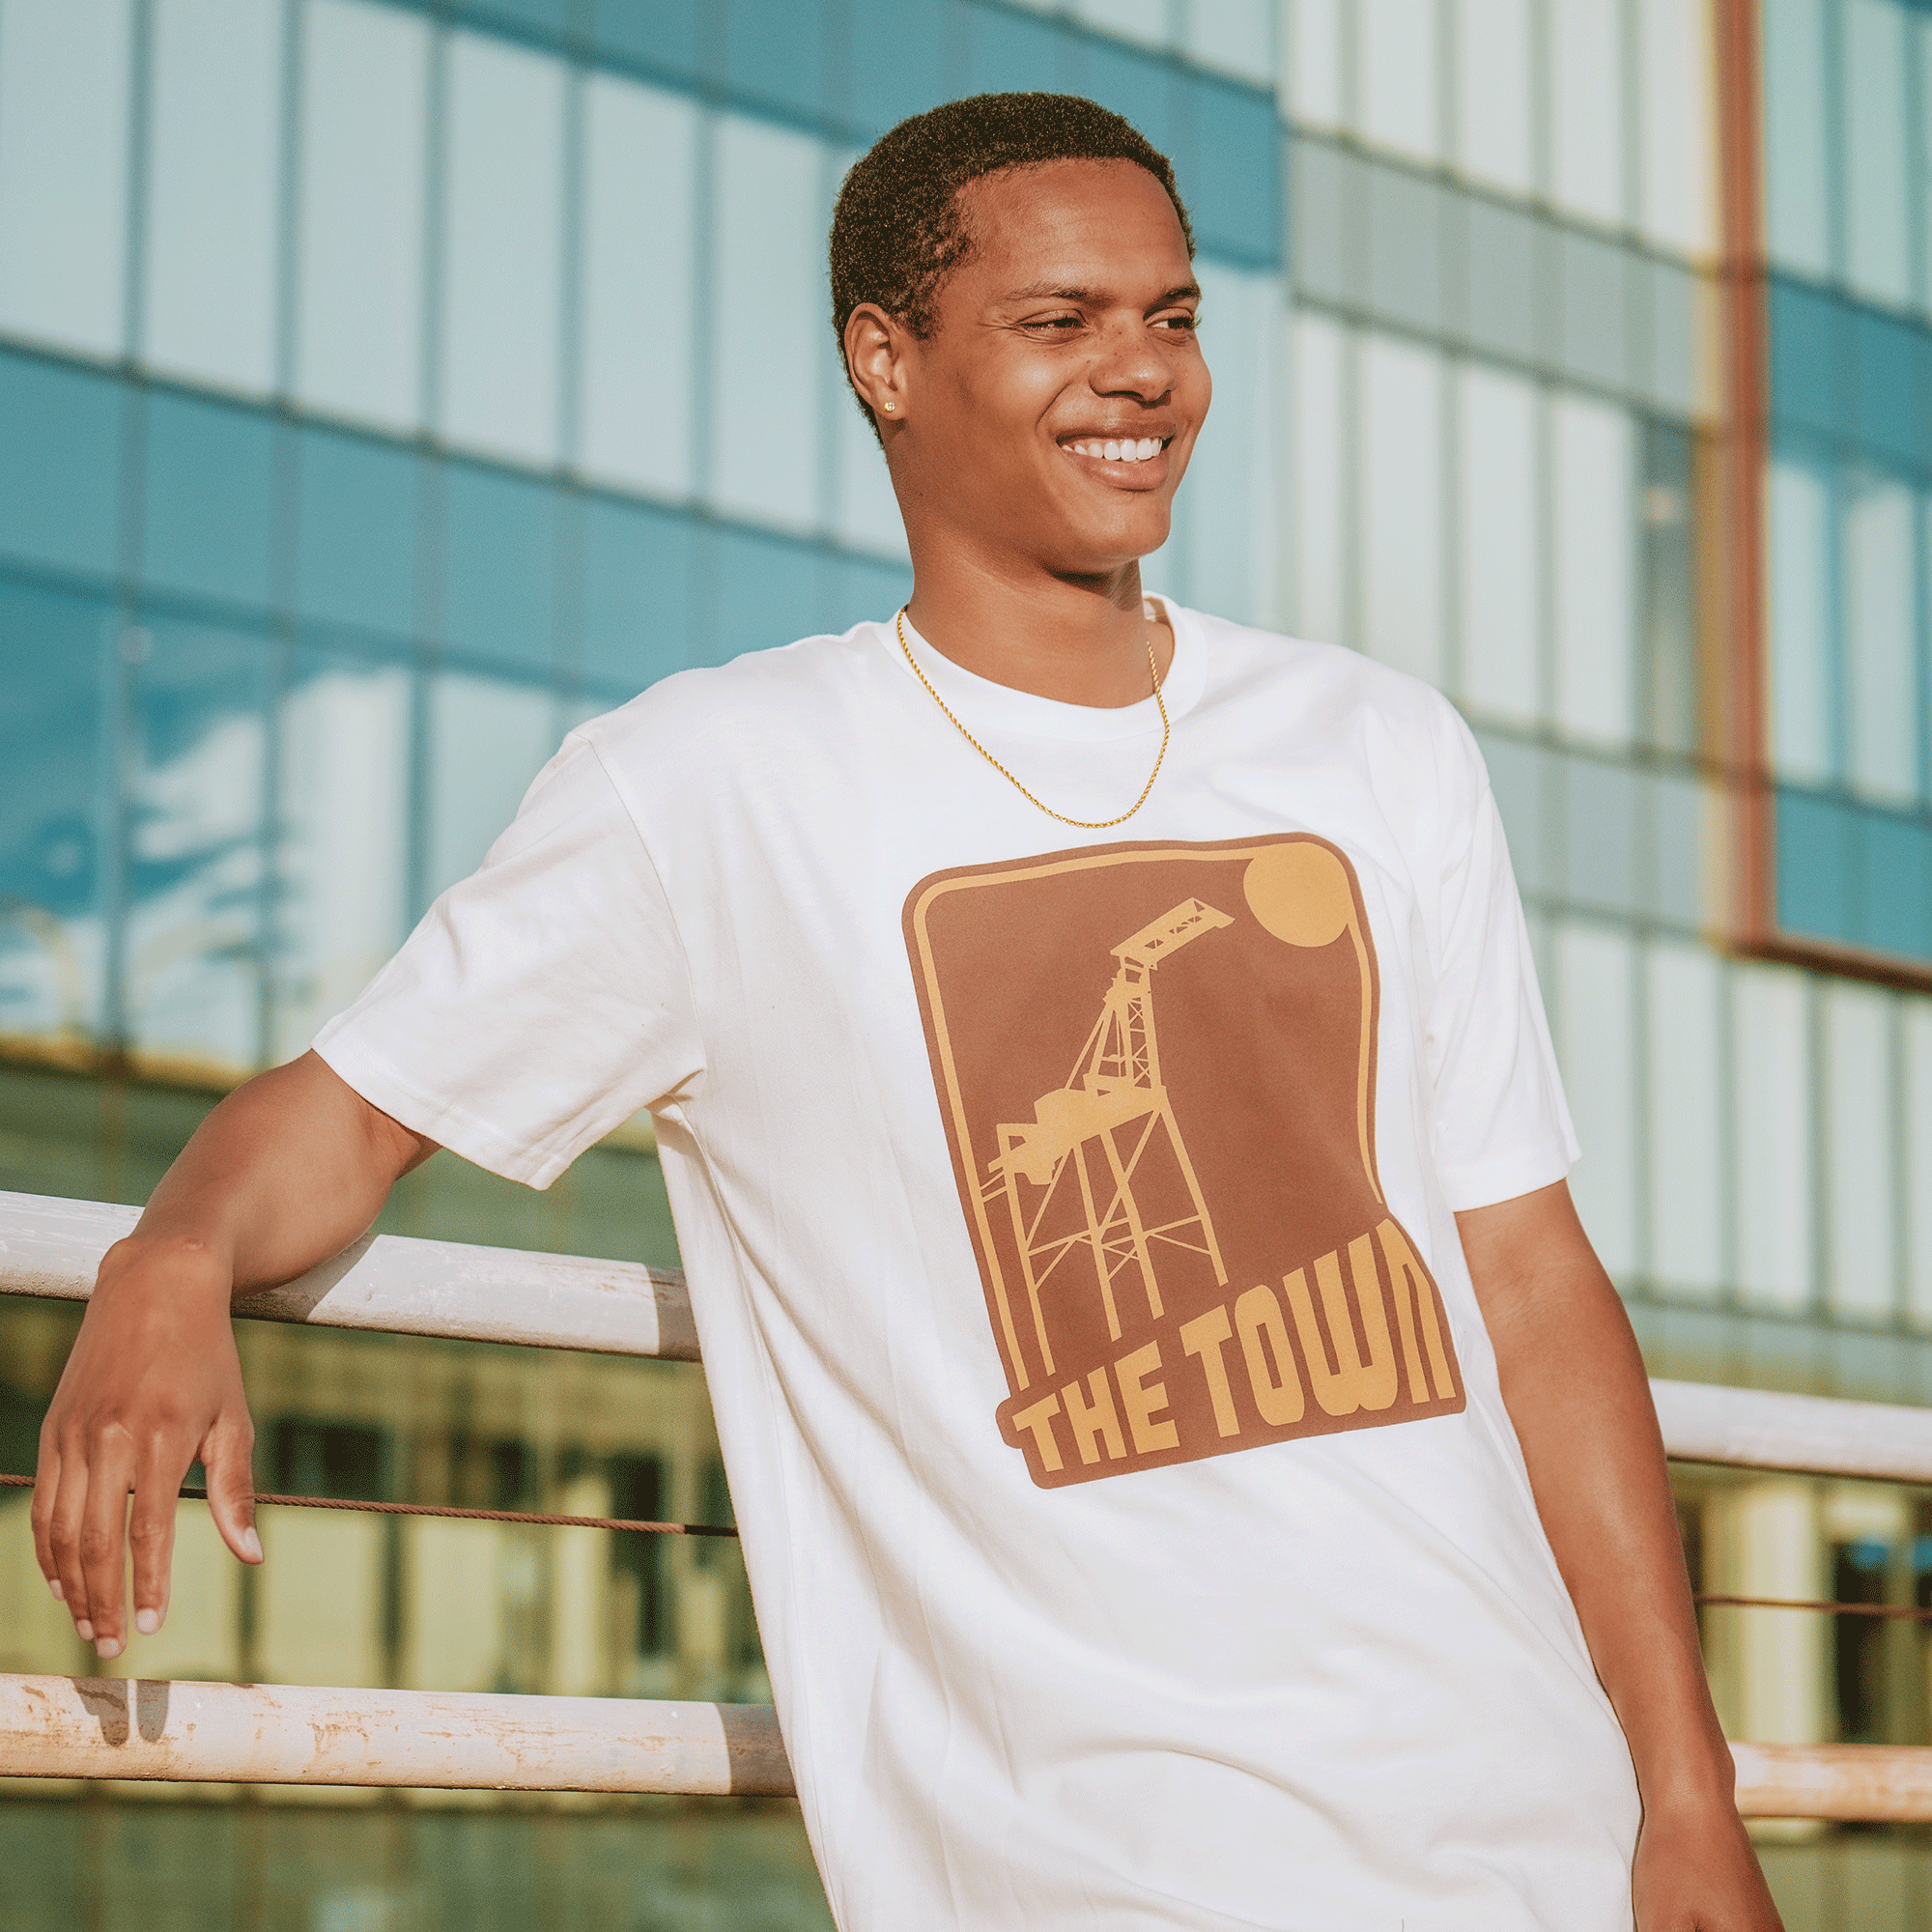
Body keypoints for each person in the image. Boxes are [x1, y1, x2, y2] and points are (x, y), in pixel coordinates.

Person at [32, 94, 1778, 1932]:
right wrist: (171, 1257)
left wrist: (1682, 1788)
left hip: (1539, 1834)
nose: (1142, 374)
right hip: (1092, 1873)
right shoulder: (715, 786)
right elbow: (356, 1109)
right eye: (1060, 322)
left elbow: (1527, 1278)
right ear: (886, 358)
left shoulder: (1378, 745)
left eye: (1174, 319)